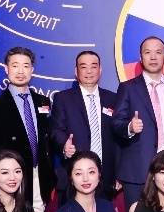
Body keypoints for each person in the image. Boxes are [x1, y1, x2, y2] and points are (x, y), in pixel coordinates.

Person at [0, 47, 56, 212]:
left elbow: (49, 139)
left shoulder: (43, 102)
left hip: (40, 176)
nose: (21, 71)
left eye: (26, 66)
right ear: (6, 69)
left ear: (32, 70)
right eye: (15, 66)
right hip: (11, 179)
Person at [113, 37, 164, 208]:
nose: (153, 57)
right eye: (148, 52)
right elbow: (116, 123)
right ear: (141, 57)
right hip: (138, 170)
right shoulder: (128, 88)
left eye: (158, 52)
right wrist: (130, 127)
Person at [50, 50, 119, 202]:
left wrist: (118, 172)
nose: (89, 71)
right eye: (83, 67)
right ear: (76, 71)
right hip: (73, 176)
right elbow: (56, 129)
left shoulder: (113, 98)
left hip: (106, 177)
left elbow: (118, 138)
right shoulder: (63, 98)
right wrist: (64, 145)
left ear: (100, 70)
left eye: (93, 66)